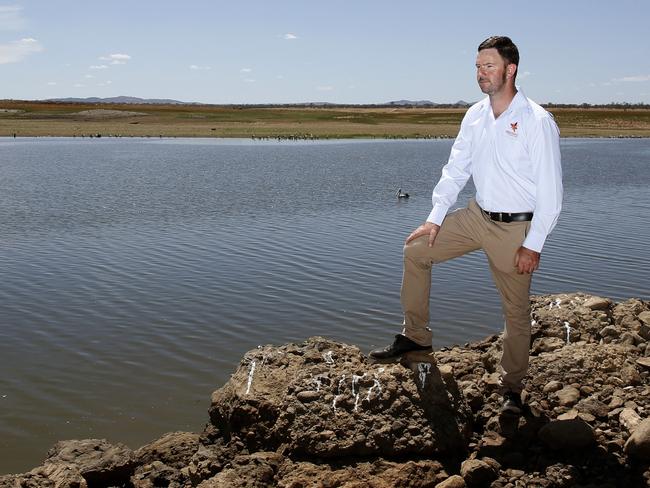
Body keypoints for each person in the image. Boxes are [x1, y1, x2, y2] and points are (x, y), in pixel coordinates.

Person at [369, 36, 563, 415]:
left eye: (488, 66)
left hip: (515, 229)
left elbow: (552, 195)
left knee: (516, 312)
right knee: (415, 252)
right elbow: (456, 169)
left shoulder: (536, 121)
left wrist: (534, 244)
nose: (480, 73)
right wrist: (434, 218)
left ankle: (512, 389)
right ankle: (416, 338)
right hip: (476, 216)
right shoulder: (474, 114)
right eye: (477, 66)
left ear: (511, 69)